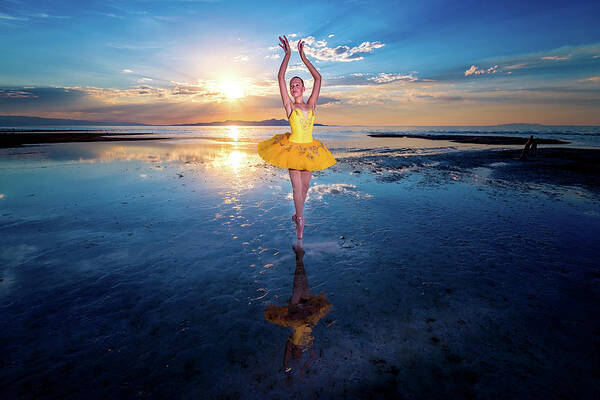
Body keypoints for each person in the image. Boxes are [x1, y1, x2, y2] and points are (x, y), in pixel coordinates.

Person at [257, 35, 337, 239]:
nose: (293, 87)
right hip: (293, 149)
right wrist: (288, 54)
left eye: (297, 85)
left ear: (303, 88)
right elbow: (280, 78)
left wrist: (303, 57)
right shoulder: (289, 106)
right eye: (292, 86)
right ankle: (300, 223)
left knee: (306, 187)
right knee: (296, 188)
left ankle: (297, 215)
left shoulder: (311, 105)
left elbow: (319, 78)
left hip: (310, 150)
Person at [264, 242, 332, 376]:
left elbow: (285, 358)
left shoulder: (291, 343)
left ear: (293, 353)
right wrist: (302, 369)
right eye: (299, 357)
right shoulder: (308, 344)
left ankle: (299, 256)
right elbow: (313, 358)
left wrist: (286, 364)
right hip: (307, 307)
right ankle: (299, 256)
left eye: (295, 355)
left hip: (295, 308)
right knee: (303, 276)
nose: (298, 355)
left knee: (298, 280)